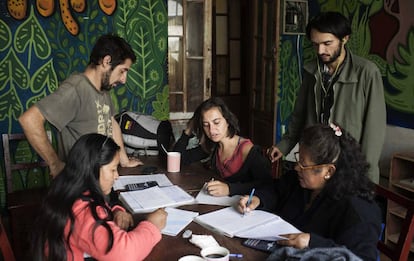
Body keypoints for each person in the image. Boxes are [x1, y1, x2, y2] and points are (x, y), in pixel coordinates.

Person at [268, 12, 386, 183]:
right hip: (315, 162)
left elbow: (374, 131)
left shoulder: (366, 72)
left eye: (327, 43)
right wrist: (285, 145)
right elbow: (299, 115)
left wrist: (364, 174)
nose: (321, 50)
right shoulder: (311, 71)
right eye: (315, 44)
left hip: (348, 164)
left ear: (344, 39)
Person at [239, 124, 382, 261]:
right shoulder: (300, 182)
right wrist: (259, 199)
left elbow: (361, 257)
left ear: (328, 171)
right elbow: (276, 190)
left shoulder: (358, 211)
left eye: (303, 164)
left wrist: (313, 242)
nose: (297, 168)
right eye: (298, 158)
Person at [19, 34, 142, 178]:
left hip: (100, 181)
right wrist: (55, 164)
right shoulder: (75, 88)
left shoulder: (104, 90)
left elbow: (111, 123)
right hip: (79, 185)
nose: (123, 80)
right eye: (122, 71)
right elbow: (29, 120)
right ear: (106, 61)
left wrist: (124, 160)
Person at [31, 133, 167, 260]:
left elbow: (98, 209)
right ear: (92, 170)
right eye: (113, 170)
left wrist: (115, 211)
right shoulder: (81, 212)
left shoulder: (67, 189)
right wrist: (152, 225)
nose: (116, 176)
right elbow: (125, 253)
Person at [174, 97, 272, 197]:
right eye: (206, 125)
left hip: (248, 208)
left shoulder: (247, 150)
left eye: (216, 122)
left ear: (228, 121)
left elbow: (267, 184)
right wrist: (187, 131)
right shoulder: (213, 146)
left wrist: (230, 189)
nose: (211, 130)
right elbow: (178, 159)